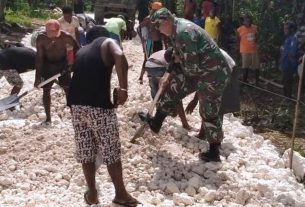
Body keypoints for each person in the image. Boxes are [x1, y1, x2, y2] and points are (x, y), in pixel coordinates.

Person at [139, 8, 232, 162]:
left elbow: (191, 68)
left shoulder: (184, 33)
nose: (158, 30)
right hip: (197, 70)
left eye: (158, 26)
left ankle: (214, 150)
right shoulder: (174, 31)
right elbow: (176, 55)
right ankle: (156, 122)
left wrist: (175, 66)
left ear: (167, 21)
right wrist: (168, 74)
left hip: (213, 73)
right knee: (172, 88)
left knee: (208, 110)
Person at [67, 26, 139, 206]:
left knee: (86, 151)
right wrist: (123, 88)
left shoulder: (82, 51)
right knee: (111, 150)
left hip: (76, 106)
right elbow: (120, 56)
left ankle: (92, 193)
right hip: (98, 108)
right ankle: (120, 194)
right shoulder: (107, 42)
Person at [34, 19, 79, 124]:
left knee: (68, 90)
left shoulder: (66, 37)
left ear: (59, 30)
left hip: (63, 66)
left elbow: (77, 50)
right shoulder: (41, 39)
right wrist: (37, 77)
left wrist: (71, 64)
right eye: (49, 32)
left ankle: (74, 116)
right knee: (46, 91)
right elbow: (39, 58)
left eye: (54, 32)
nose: (52, 35)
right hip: (47, 66)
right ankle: (48, 118)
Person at [144, 49, 191, 129]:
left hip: (148, 66)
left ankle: (157, 116)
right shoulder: (176, 58)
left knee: (156, 94)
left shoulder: (169, 53)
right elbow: (171, 74)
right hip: (159, 67)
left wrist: (141, 77)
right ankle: (184, 123)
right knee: (174, 93)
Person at [138, 2, 164, 83]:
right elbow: (139, 28)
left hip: (159, 42)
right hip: (151, 43)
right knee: (147, 59)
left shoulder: (161, 19)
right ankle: (141, 77)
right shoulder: (148, 18)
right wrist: (143, 41)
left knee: (158, 59)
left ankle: (153, 75)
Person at [237, 15, 260, 85]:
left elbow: (257, 36)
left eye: (250, 21)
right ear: (244, 22)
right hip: (245, 50)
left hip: (254, 50)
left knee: (256, 67)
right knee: (245, 67)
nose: (248, 22)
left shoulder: (255, 27)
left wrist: (255, 40)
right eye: (247, 21)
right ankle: (244, 81)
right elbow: (238, 39)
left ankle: (257, 82)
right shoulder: (240, 29)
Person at [280, 22, 298, 98]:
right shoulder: (287, 39)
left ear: (292, 29)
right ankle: (285, 98)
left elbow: (292, 54)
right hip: (284, 63)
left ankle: (288, 99)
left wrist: (293, 65)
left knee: (288, 82)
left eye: (286, 28)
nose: (285, 30)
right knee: (284, 81)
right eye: (284, 28)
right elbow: (283, 50)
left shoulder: (293, 39)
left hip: (289, 65)